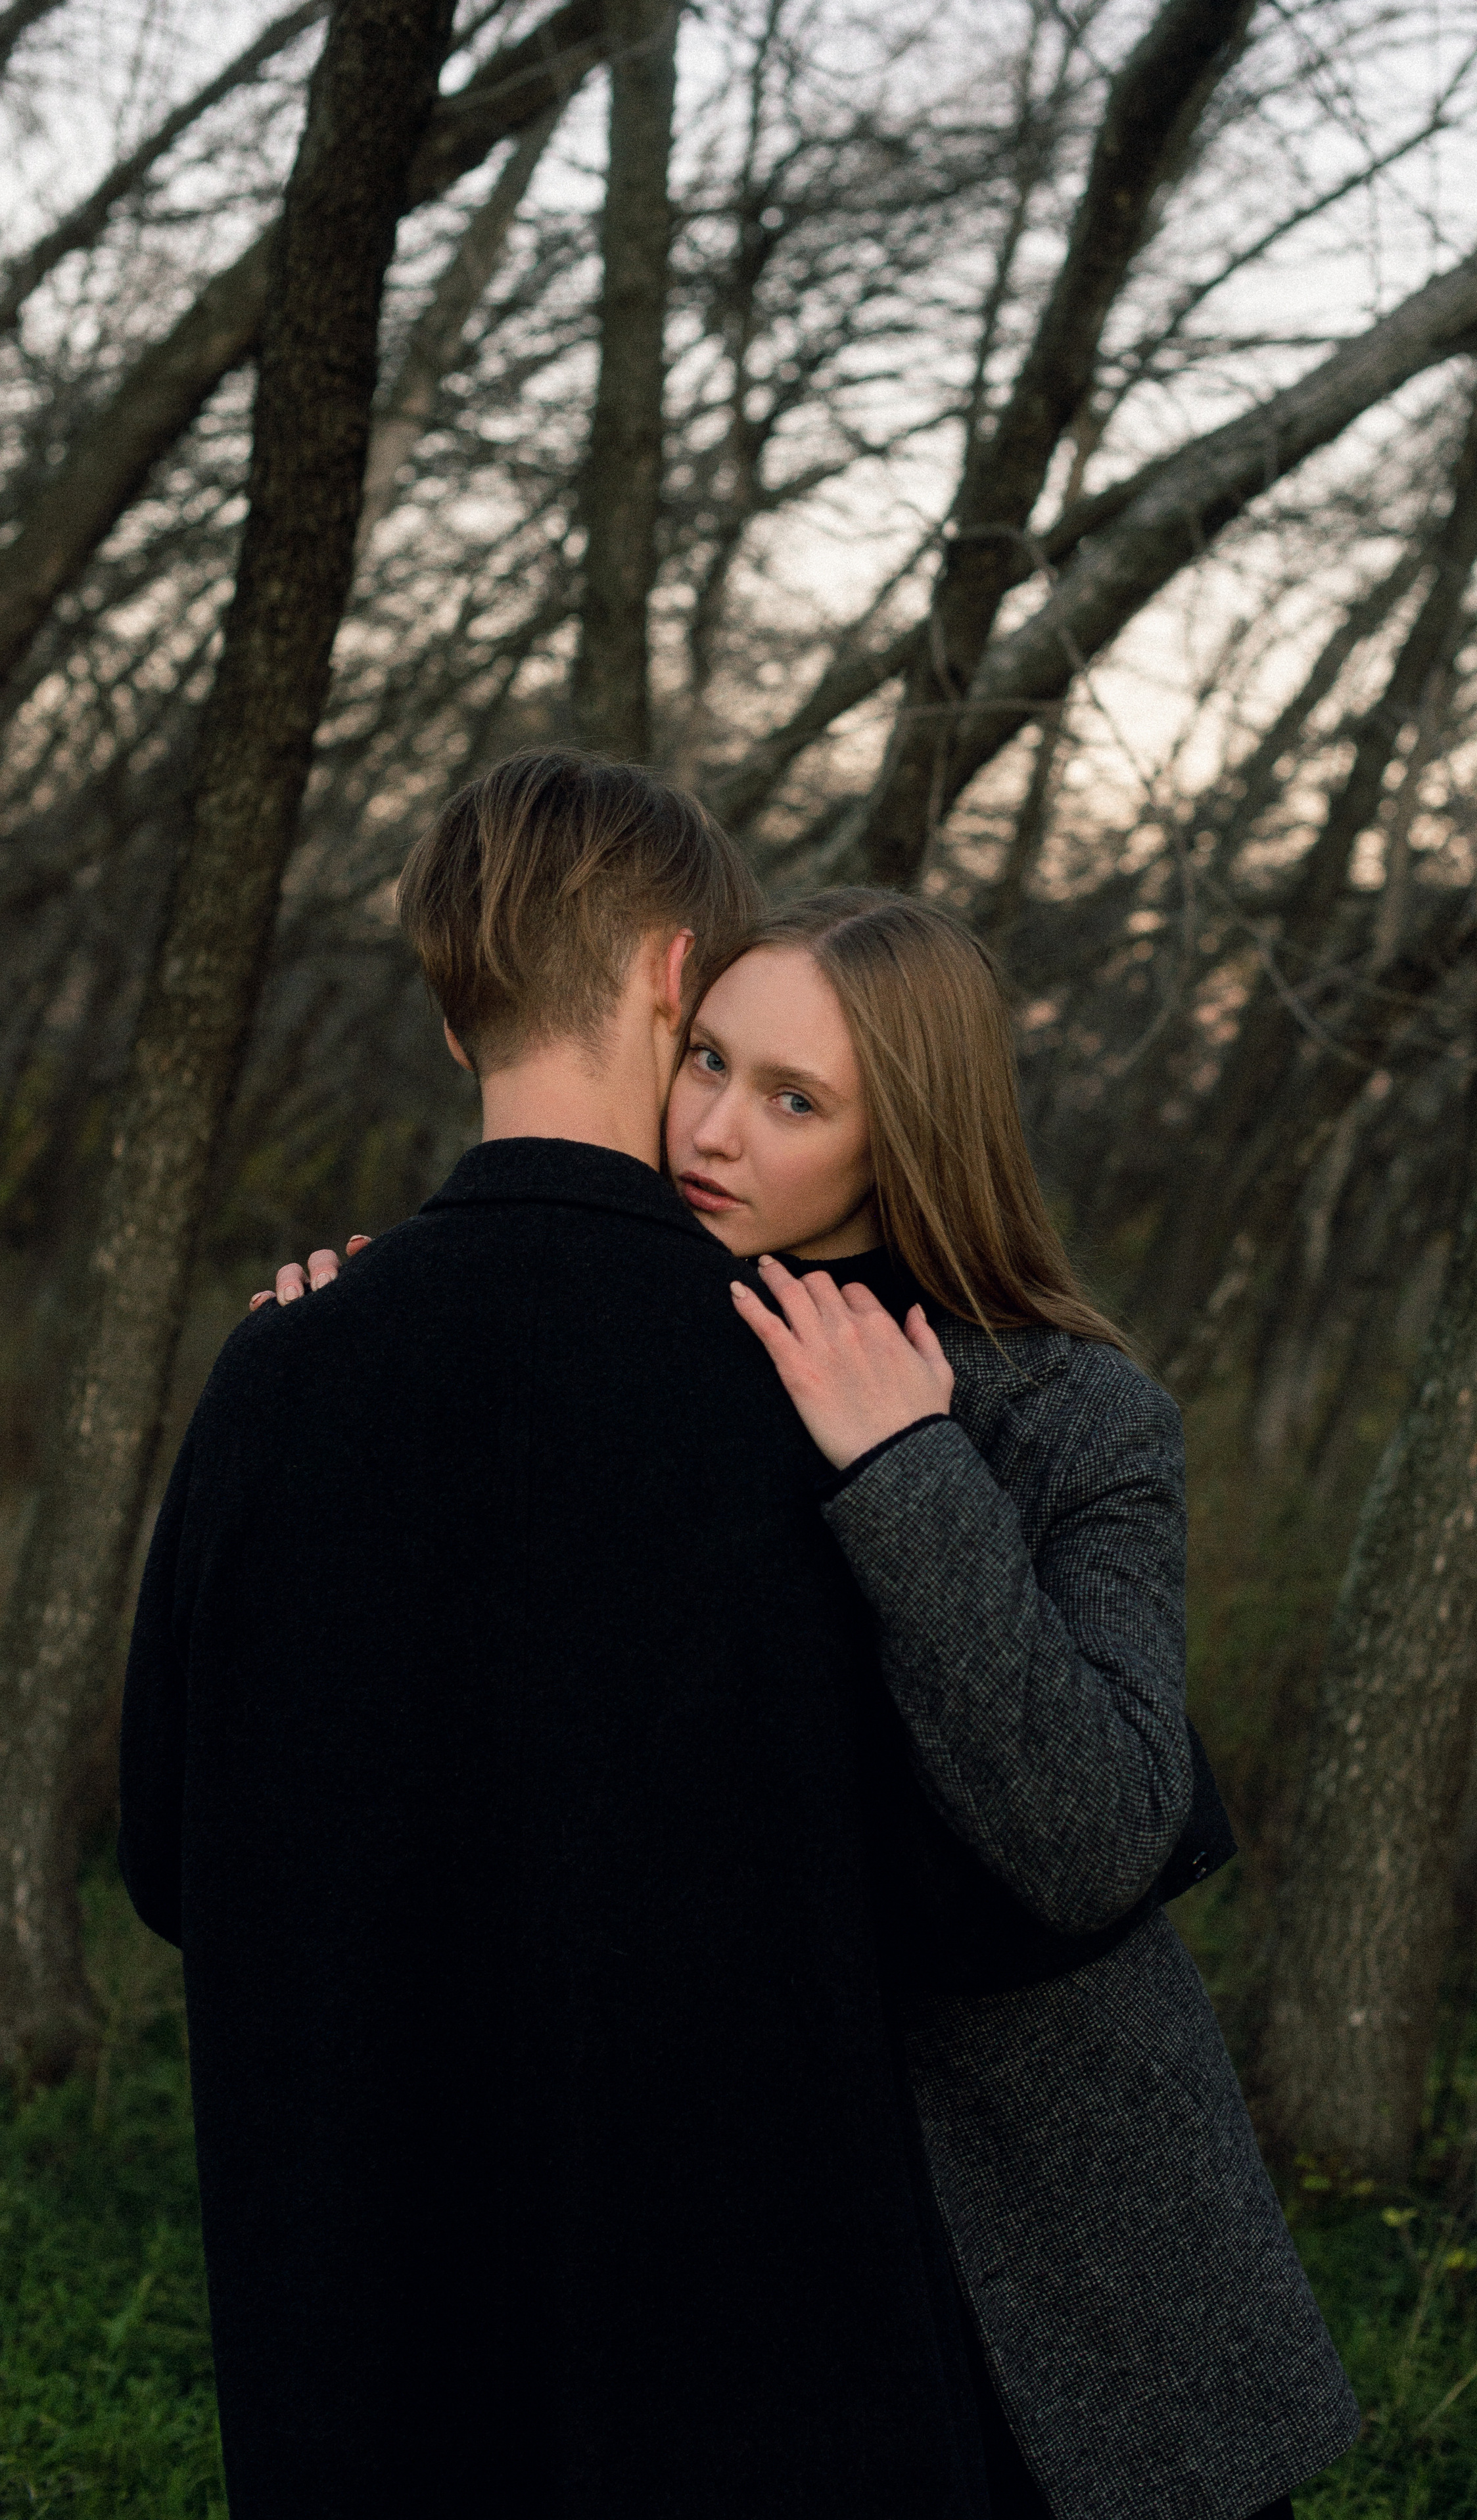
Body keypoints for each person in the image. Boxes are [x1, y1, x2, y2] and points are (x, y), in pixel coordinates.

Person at [272, 882, 1363, 2519]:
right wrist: (360, 1365)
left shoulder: (1068, 1414)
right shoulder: (612, 1358)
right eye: (701, 1059)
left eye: (793, 1101)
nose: (710, 1129)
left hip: (1045, 2234)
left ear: (899, 1139)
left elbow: (1093, 1837)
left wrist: (911, 1470)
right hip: (729, 2219)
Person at [119, 757, 996, 2520]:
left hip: (357, 2341)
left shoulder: (284, 1364)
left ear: (458, 1019)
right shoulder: (819, 1389)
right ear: (678, 978)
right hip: (730, 2366)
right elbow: (963, 1878)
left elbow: (165, 1851)